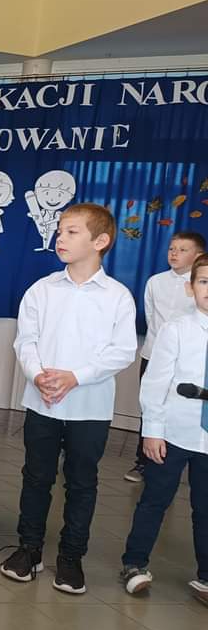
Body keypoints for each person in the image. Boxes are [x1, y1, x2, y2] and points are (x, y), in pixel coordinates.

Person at [0, 203, 137, 595]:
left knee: (81, 483)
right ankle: (29, 549)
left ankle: (71, 558)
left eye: (72, 232)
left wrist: (77, 377)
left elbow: (123, 351)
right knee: (36, 477)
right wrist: (37, 374)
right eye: (60, 230)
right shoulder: (42, 289)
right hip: (41, 401)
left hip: (90, 407)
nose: (61, 238)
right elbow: (26, 340)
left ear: (101, 241)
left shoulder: (118, 296)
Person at [119, 252, 208, 604]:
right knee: (155, 500)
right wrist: (152, 430)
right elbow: (155, 382)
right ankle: (134, 564)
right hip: (173, 432)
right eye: (204, 281)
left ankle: (206, 576)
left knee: (205, 508)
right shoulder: (176, 329)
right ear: (191, 287)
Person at [126, 231, 205, 482]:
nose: (174, 254)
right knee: (150, 405)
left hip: (189, 361)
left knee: (183, 406)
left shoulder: (201, 285)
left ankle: (186, 459)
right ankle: (144, 462)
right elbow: (151, 316)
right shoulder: (155, 281)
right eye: (172, 249)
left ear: (198, 255)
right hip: (154, 354)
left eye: (182, 250)